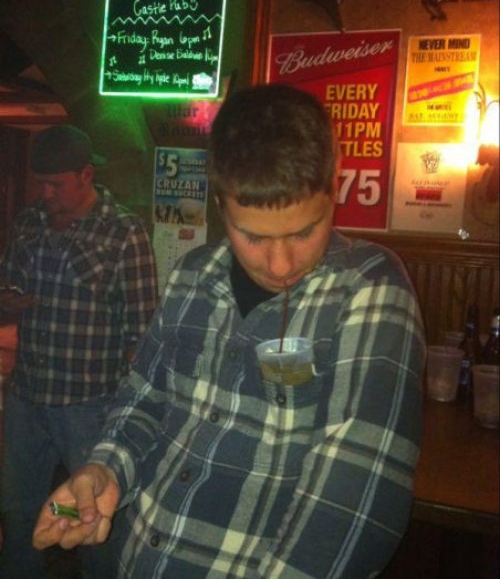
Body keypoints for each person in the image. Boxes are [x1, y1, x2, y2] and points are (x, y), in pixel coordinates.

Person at [33, 85, 425, 578]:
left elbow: (351, 506)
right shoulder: (192, 273)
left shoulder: (368, 289)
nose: (280, 264)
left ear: (335, 184)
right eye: (253, 236)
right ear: (220, 203)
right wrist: (106, 468)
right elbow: (146, 397)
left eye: (304, 231)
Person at [0, 124, 158, 578]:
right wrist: (9, 300)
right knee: (18, 511)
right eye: (41, 184)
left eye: (56, 184)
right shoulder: (29, 221)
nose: (45, 193)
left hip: (89, 405)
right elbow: (8, 284)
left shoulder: (123, 231)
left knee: (92, 519)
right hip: (27, 396)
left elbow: (143, 329)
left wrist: (132, 403)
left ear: (86, 175)